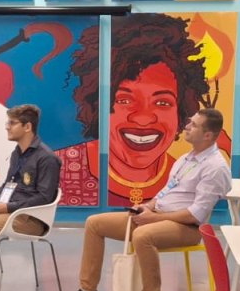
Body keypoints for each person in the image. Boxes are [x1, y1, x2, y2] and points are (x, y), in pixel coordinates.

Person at [56, 108, 232, 291]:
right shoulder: (186, 159)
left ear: (208, 135)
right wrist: (148, 206)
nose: (186, 126)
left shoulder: (215, 168)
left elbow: (196, 215)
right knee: (94, 223)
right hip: (158, 214)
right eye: (189, 121)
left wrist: (155, 218)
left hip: (187, 227)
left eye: (193, 125)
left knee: (142, 236)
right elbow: (166, 191)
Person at [58, 14, 213, 208]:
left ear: (181, 112)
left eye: (162, 102)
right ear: (97, 106)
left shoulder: (185, 174)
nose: (143, 118)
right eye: (124, 100)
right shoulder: (60, 169)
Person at [0, 104, 60, 244]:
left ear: (27, 127)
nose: (7, 127)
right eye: (8, 123)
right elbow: (7, 185)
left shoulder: (47, 158)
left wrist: (7, 207)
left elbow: (44, 197)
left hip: (30, 218)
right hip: (9, 210)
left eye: (12, 123)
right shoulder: (17, 153)